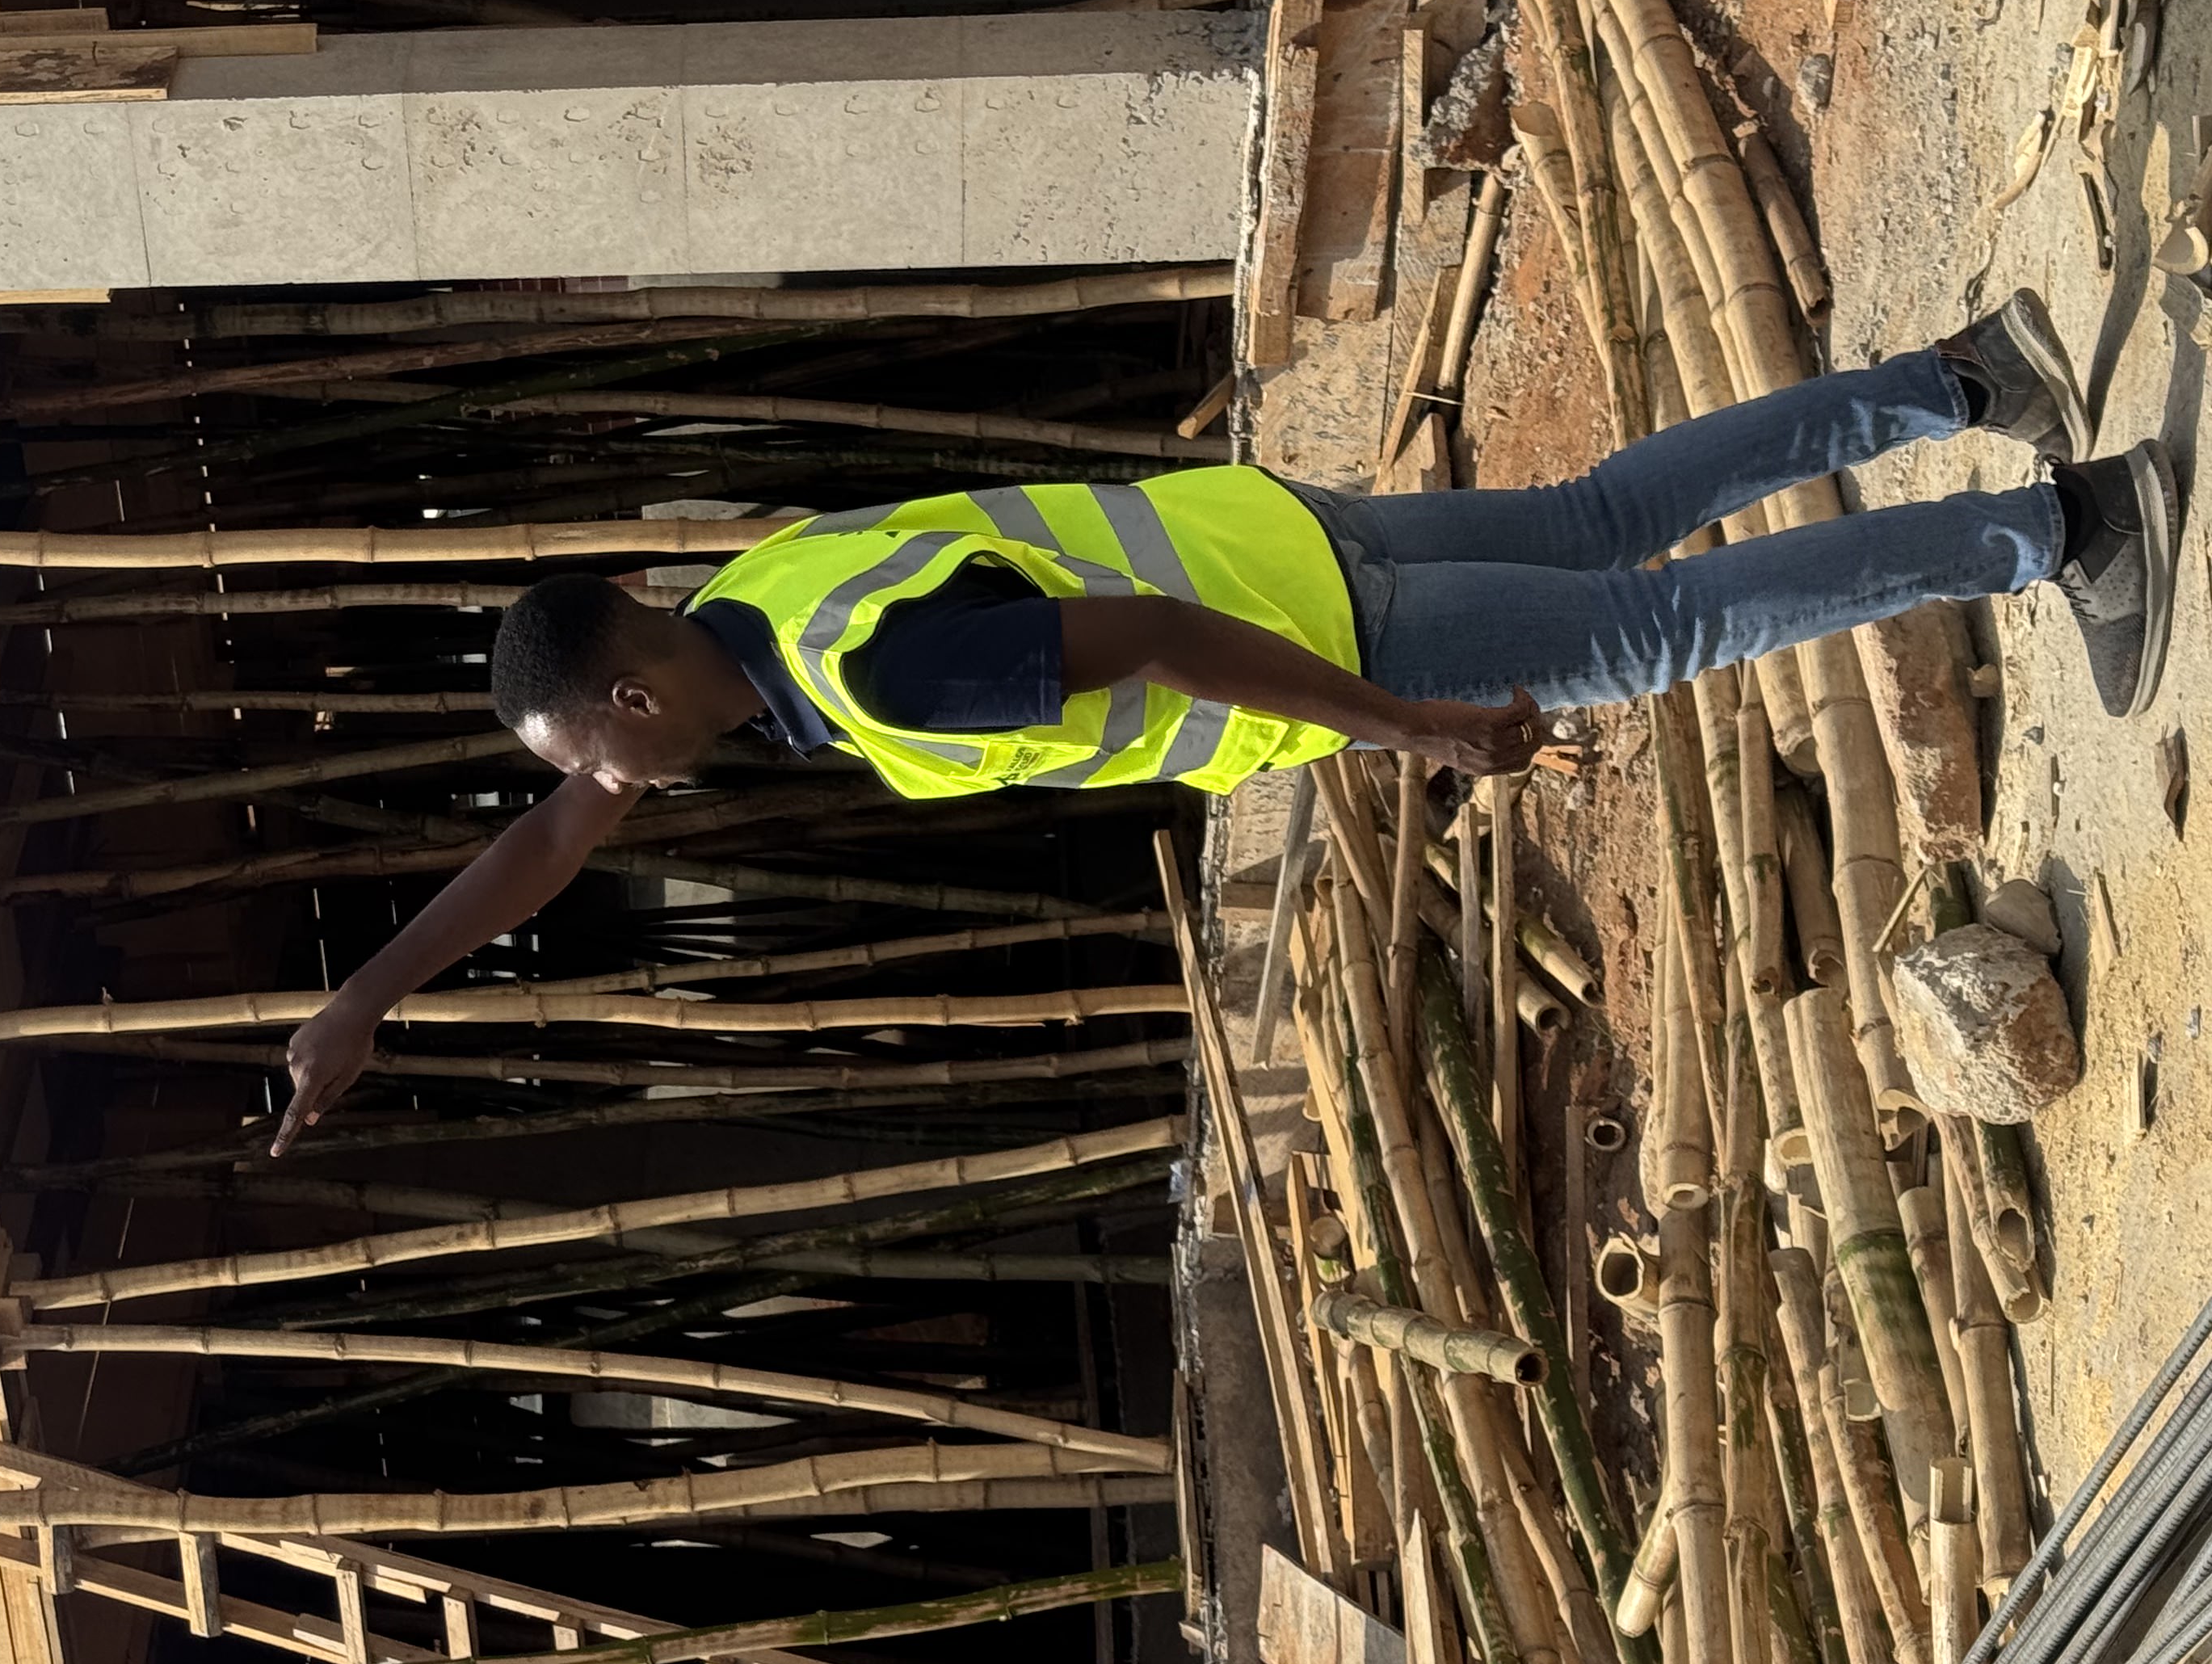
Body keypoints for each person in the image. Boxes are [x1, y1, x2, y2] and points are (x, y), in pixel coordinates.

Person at [271, 292, 2176, 1150]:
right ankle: (1963, 378)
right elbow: (547, 845)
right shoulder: (759, 601)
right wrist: (374, 995)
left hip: (1313, 617)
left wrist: (1415, 728)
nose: (610, 802)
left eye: (599, 761)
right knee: (1613, 514)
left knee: (1658, 622)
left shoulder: (869, 676)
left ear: (622, 696)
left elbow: (1165, 647)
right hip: (1287, 531)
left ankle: (2062, 527)